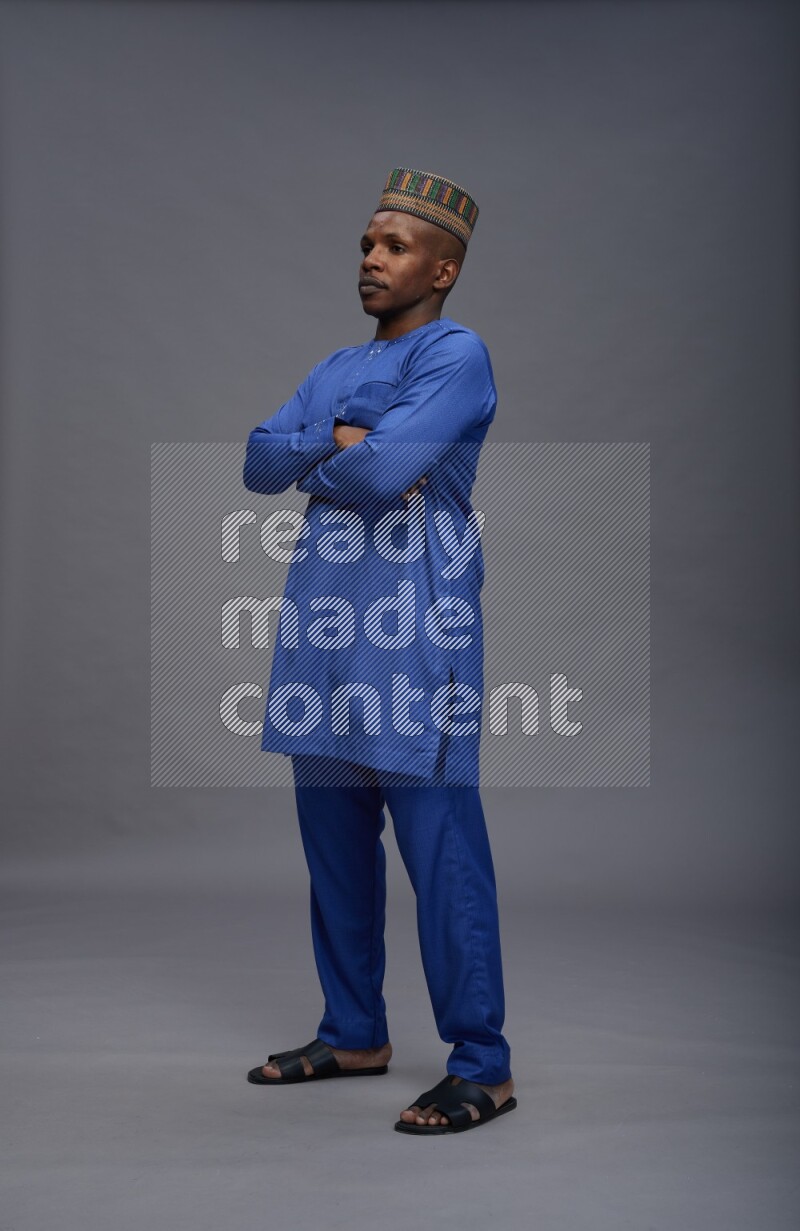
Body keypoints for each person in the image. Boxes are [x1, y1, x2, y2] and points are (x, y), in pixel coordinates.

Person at [242, 168, 516, 1134]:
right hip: (323, 638)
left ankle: (483, 1061)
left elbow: (389, 467)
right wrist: (335, 437)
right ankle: (354, 1029)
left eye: (394, 247)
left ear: (442, 267)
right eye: (367, 243)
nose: (371, 259)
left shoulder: (459, 354)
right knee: (335, 852)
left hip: (414, 638)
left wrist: (339, 451)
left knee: (441, 855)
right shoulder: (331, 366)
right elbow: (256, 458)